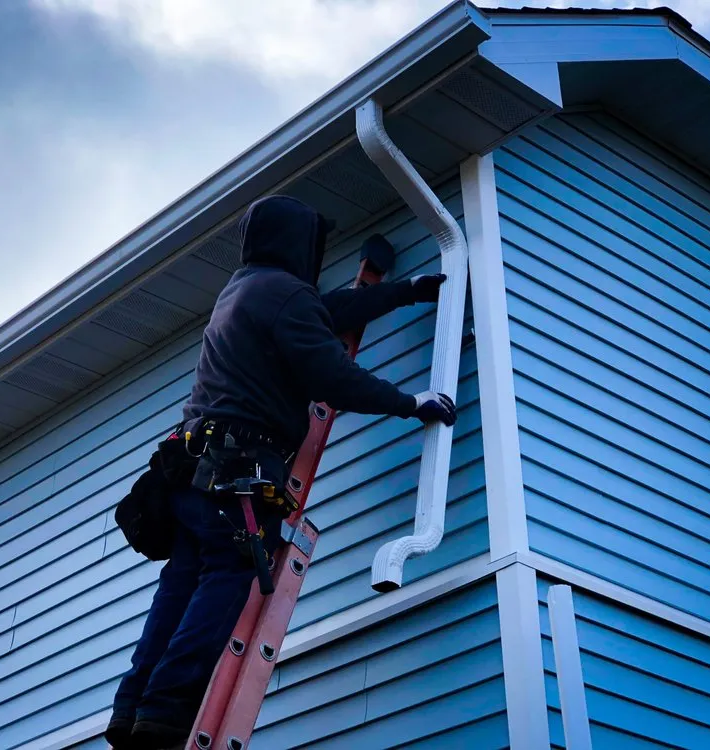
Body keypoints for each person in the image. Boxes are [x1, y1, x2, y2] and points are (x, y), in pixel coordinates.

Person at [106, 195, 457, 749]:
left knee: (177, 588)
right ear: (298, 243)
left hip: (192, 472)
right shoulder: (284, 294)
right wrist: (411, 404)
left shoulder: (244, 290)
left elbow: (328, 313)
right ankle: (166, 715)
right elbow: (331, 374)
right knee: (224, 580)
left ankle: (132, 711)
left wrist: (405, 292)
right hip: (236, 474)